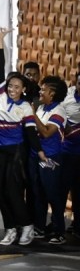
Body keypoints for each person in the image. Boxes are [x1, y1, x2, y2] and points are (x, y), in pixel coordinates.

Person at [0, 72, 36, 246]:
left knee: (12, 190)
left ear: (23, 89)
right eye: (10, 86)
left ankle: (27, 225)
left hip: (15, 151)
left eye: (17, 87)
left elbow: (30, 132)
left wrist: (39, 151)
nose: (12, 89)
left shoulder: (26, 107)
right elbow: (0, 69)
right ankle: (10, 228)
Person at [24, 75, 68, 244]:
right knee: (38, 193)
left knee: (52, 193)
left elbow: (46, 132)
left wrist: (33, 115)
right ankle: (40, 227)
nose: (40, 92)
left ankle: (59, 231)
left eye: (44, 90)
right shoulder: (42, 108)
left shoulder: (59, 111)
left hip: (50, 157)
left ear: (53, 93)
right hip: (35, 155)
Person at [60, 70, 80, 236]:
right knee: (62, 188)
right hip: (66, 150)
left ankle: (77, 224)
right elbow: (59, 114)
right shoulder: (68, 95)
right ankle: (57, 225)